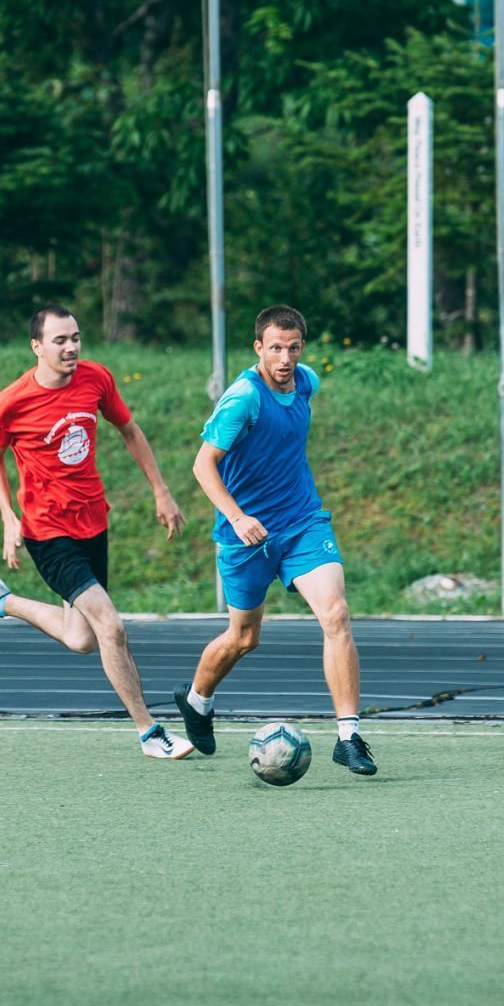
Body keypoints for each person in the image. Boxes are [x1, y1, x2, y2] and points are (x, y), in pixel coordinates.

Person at [0, 305, 194, 760]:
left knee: (82, 638)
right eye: (60, 340)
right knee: (111, 626)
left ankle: (3, 601)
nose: (71, 347)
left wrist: (161, 491)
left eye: (75, 338)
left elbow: (129, 430)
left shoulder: (96, 379)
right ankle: (150, 733)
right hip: (47, 531)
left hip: (92, 522)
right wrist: (8, 517)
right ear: (37, 346)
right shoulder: (10, 401)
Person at [172, 304, 377, 775]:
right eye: (276, 348)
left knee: (336, 614)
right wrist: (238, 516)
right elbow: (203, 465)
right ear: (258, 348)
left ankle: (349, 738)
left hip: (303, 522)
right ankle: (197, 700)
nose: (285, 359)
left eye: (294, 348)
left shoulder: (306, 382)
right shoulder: (242, 398)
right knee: (244, 637)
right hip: (246, 536)